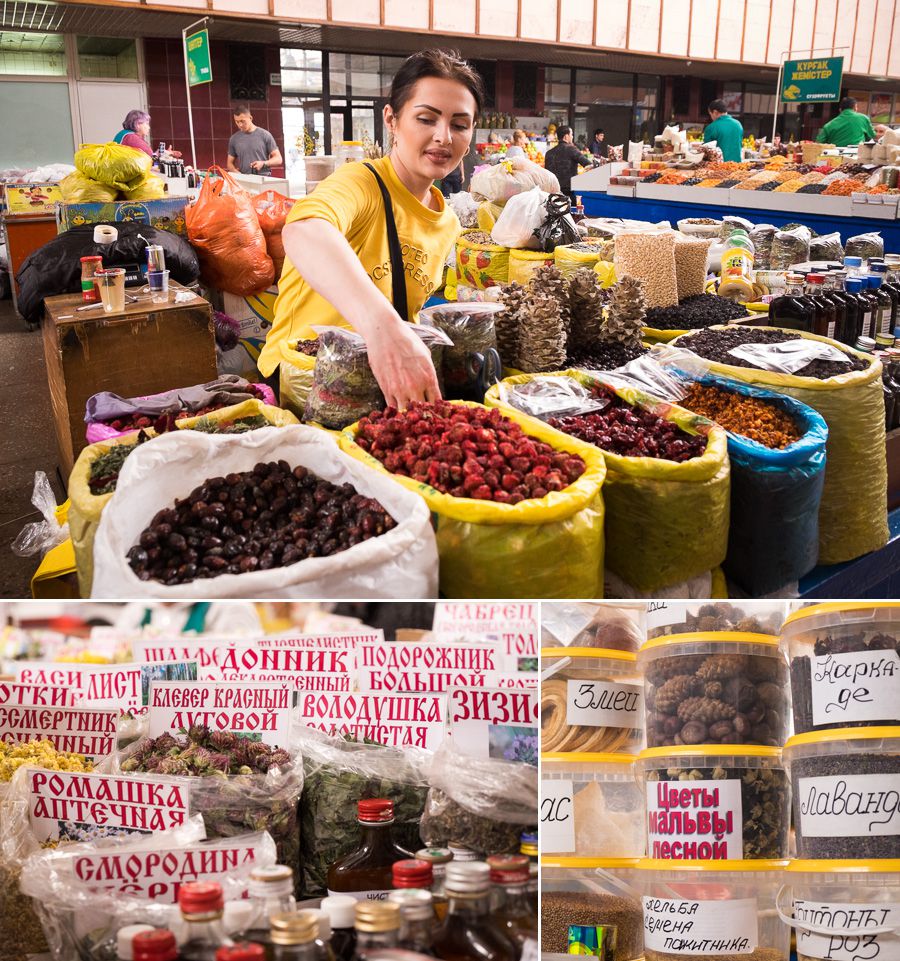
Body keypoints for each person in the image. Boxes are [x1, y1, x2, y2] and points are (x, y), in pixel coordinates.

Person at [260, 49, 483, 409]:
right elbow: (304, 229)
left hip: (375, 387)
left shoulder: (447, 221)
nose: (444, 137)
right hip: (305, 386)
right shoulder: (360, 184)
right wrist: (383, 329)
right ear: (392, 120)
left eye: (459, 124)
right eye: (426, 119)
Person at [227, 105, 283, 175]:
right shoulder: (234, 139)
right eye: (237, 122)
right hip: (244, 179)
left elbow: (278, 159)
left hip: (263, 179)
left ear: (250, 118)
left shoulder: (265, 135)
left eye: (242, 121)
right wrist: (237, 173)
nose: (240, 125)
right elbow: (229, 164)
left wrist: (263, 163)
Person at [543, 125, 583, 201]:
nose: (572, 137)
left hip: (553, 193)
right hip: (569, 193)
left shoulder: (549, 153)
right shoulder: (572, 149)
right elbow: (587, 164)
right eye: (571, 134)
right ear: (566, 136)